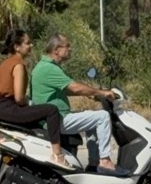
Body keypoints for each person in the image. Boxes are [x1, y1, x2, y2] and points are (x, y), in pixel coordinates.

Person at [31, 33, 124, 175]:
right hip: (57, 120)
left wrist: (92, 94)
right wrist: (103, 93)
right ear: (56, 50)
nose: (70, 49)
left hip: (56, 117)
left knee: (92, 119)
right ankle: (105, 160)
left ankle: (93, 163)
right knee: (103, 116)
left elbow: (66, 90)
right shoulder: (49, 69)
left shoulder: (46, 66)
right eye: (67, 46)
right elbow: (75, 87)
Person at [0, 29, 73, 171]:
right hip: (10, 109)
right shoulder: (18, 65)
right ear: (17, 47)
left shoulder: (2, 64)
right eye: (27, 43)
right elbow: (18, 98)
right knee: (51, 110)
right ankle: (57, 155)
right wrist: (29, 102)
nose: (31, 45)